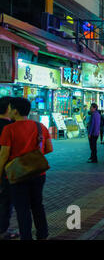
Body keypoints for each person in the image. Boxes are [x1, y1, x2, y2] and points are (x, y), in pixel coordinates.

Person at [0, 97, 53, 240]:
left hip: (18, 175)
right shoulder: (40, 126)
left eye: (10, 108)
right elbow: (49, 148)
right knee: (37, 205)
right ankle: (43, 234)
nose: (8, 111)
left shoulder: (9, 129)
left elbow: (4, 155)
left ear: (15, 111)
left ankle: (26, 236)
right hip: (38, 172)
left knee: (22, 208)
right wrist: (33, 156)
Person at [0, 97, 19, 240]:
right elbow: (5, 153)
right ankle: (3, 230)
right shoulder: (9, 127)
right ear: (8, 109)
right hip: (6, 171)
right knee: (5, 202)